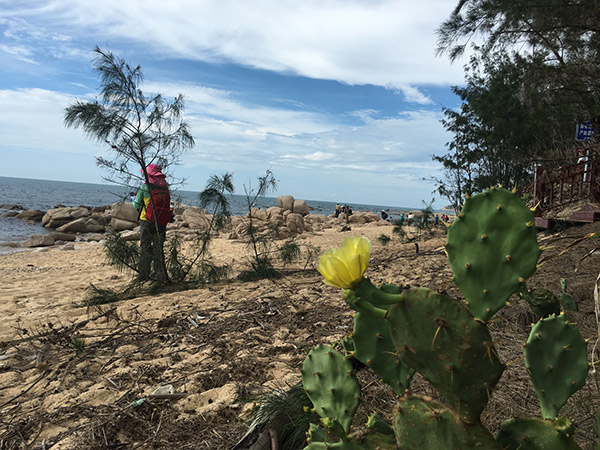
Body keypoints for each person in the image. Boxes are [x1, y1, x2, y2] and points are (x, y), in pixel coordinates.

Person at [132, 163, 171, 281]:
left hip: (147, 219)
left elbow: (137, 204)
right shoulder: (165, 187)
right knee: (159, 247)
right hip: (161, 221)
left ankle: (143, 275)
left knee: (145, 247)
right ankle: (160, 274)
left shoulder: (145, 187)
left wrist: (133, 199)